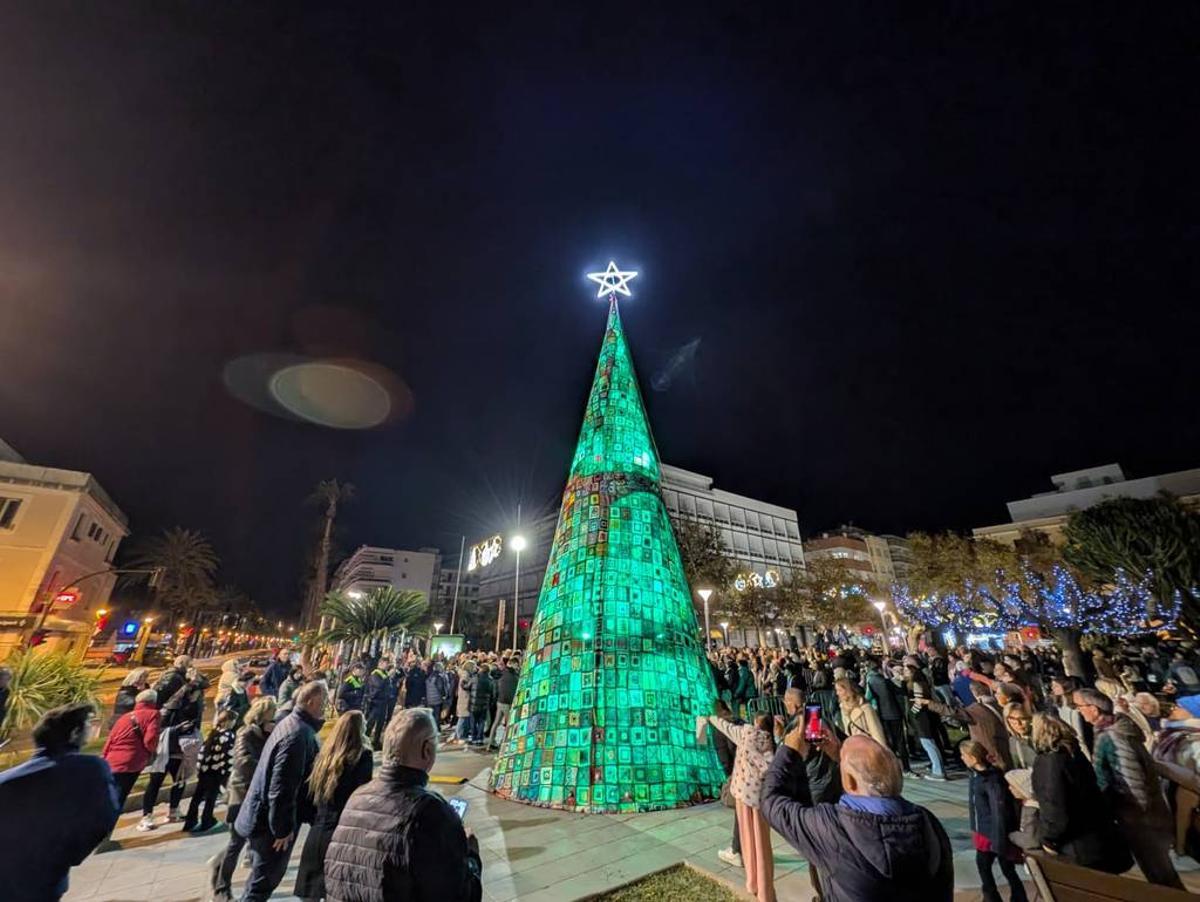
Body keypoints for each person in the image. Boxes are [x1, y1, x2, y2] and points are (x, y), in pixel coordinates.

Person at [761, 730, 954, 901]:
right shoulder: (928, 822)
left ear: (850, 781)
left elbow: (771, 801)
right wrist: (843, 758)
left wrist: (789, 751)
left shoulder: (833, 828)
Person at [324, 707, 483, 901]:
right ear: (427, 750)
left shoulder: (357, 797)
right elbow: (458, 893)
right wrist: (472, 857)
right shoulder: (430, 811)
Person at [0, 703, 121, 901]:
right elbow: (104, 817)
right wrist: (69, 855)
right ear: (75, 733)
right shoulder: (91, 769)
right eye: (89, 725)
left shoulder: (6, 780)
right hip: (46, 879)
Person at [1074, 687, 1182, 887]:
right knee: (1161, 873)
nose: (1078, 711)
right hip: (1143, 814)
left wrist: (1136, 817)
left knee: (1160, 875)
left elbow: (1131, 780)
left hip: (1140, 818)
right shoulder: (1113, 731)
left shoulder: (1113, 736)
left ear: (1094, 709)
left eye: (1080, 706)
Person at [234, 681, 328, 901]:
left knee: (260, 882)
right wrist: (282, 829)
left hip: (265, 820)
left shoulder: (292, 725)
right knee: (261, 885)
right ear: (311, 701)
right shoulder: (297, 734)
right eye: (323, 702)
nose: (325, 707)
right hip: (269, 827)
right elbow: (282, 787)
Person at [1029, 712, 1131, 873]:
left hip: (1078, 845)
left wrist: (1049, 840)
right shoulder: (1074, 753)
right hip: (1098, 836)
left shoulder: (1049, 761)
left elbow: (1055, 805)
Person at [698, 711, 778, 902]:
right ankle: (766, 890)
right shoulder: (769, 743)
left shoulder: (744, 734)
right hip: (758, 799)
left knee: (747, 840)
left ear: (755, 723)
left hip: (742, 795)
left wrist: (711, 718)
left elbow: (726, 727)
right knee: (762, 845)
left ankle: (752, 883)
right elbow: (772, 767)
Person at [295, 710, 374, 902]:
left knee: (311, 892)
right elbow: (361, 794)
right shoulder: (361, 756)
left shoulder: (325, 756)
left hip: (319, 830)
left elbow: (306, 794)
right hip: (343, 831)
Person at [210, 696, 277, 902]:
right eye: (272, 718)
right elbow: (244, 762)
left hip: (257, 796)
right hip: (241, 795)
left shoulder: (267, 735)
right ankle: (221, 888)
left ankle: (244, 881)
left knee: (252, 843)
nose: (275, 722)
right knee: (235, 843)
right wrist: (269, 766)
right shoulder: (245, 733)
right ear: (261, 718)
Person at [139, 668, 208, 830]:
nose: (201, 697)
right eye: (199, 693)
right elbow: (160, 728)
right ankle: (146, 815)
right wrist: (178, 729)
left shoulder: (193, 705)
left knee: (179, 780)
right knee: (156, 781)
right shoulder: (171, 707)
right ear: (192, 692)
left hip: (181, 748)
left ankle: (174, 810)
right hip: (166, 748)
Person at [961, 740, 1028, 902]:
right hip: (984, 829)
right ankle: (1012, 895)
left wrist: (998, 838)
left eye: (964, 755)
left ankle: (994, 896)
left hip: (991, 831)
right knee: (1002, 867)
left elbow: (999, 810)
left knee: (990, 866)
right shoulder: (979, 775)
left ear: (973, 758)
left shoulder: (989, 780)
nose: (962, 758)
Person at [102, 687, 161, 808]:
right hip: (132, 761)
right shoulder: (153, 714)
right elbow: (150, 740)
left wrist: (105, 758)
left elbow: (110, 741)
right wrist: (151, 752)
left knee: (109, 796)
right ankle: (107, 824)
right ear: (153, 702)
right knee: (120, 797)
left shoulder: (124, 717)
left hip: (112, 761)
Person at [183, 707, 238, 832]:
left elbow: (202, 753)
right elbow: (228, 757)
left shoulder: (213, 734)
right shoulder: (228, 736)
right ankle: (207, 820)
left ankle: (190, 821)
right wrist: (226, 774)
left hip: (204, 771)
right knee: (210, 798)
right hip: (216, 772)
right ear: (229, 721)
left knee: (197, 796)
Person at [709, 700, 746, 869]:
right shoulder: (740, 721)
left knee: (740, 814)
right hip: (750, 773)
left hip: (739, 775)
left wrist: (730, 776)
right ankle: (747, 849)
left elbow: (723, 757)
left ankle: (736, 850)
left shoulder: (718, 729)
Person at [865, 659, 910, 772]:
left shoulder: (870, 682)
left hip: (882, 713)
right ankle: (906, 767)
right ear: (879, 669)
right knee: (900, 741)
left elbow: (868, 697)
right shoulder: (886, 681)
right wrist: (903, 681)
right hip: (894, 712)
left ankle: (893, 766)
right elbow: (902, 691)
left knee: (889, 741)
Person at [835, 678, 886, 745]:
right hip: (856, 750)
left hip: (870, 748)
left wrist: (881, 752)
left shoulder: (865, 708)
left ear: (848, 690)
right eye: (836, 690)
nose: (837, 693)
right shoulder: (843, 709)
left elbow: (877, 733)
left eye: (840, 690)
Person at [363, 657, 394, 750]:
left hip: (384, 701)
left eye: (387, 663)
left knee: (380, 723)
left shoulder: (384, 674)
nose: (387, 665)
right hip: (376, 702)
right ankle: (365, 740)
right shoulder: (375, 673)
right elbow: (378, 685)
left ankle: (376, 741)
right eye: (385, 663)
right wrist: (388, 676)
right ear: (380, 663)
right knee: (371, 722)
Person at [490, 655, 519, 748]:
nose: (517, 666)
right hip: (507, 702)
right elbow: (511, 689)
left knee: (496, 722)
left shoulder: (503, 672)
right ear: (513, 664)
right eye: (516, 664)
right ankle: (505, 743)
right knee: (509, 723)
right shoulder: (513, 674)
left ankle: (491, 742)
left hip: (500, 701)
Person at [1003, 704, 1036, 769]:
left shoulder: (1041, 735)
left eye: (1022, 719)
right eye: (1013, 722)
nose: (1018, 724)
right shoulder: (1013, 741)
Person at [469, 662, 495, 745]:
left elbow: (467, 686)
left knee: (473, 722)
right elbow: (493, 693)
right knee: (482, 722)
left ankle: (473, 738)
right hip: (484, 704)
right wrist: (490, 703)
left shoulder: (475, 678)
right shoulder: (490, 680)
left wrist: (462, 684)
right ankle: (479, 739)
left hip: (474, 703)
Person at [425, 660, 449, 726]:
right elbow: (440, 689)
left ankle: (431, 728)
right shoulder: (438, 677)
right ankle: (436, 729)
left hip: (429, 699)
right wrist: (444, 696)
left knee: (431, 716)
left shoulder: (429, 676)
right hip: (437, 700)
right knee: (437, 716)